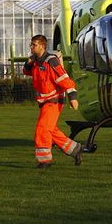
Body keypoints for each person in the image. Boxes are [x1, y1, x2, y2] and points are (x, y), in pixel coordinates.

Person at [22, 34, 83, 169]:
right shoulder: (36, 61)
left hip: (54, 101)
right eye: (31, 45)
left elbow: (64, 78)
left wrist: (73, 97)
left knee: (43, 129)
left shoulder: (51, 61)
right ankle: (75, 149)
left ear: (42, 46)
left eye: (34, 45)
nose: (31, 47)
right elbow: (26, 72)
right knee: (51, 130)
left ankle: (44, 160)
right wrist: (29, 61)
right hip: (44, 102)